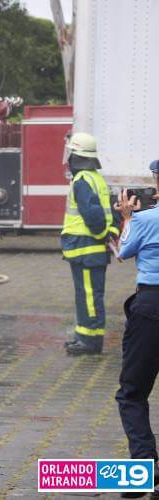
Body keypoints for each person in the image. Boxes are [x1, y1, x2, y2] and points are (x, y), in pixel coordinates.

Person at [114, 162, 159, 496]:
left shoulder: (144, 219)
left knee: (132, 393)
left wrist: (127, 217)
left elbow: (123, 252)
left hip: (151, 309)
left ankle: (144, 469)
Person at [61, 132, 120, 356]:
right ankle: (83, 335)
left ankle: (91, 342)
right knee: (86, 294)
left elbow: (94, 215)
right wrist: (110, 232)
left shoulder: (83, 180)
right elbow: (111, 211)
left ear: (77, 157)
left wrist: (102, 232)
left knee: (88, 295)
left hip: (86, 248)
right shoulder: (95, 178)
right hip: (88, 250)